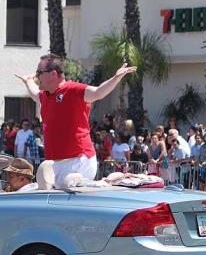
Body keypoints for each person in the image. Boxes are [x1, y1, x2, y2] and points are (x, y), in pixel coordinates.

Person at [15, 53, 136, 184]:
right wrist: (28, 81)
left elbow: (98, 93)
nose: (37, 76)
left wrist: (115, 78)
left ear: (53, 74)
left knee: (69, 191)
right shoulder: (45, 95)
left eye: (39, 72)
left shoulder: (73, 89)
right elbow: (34, 94)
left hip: (78, 160)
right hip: (56, 162)